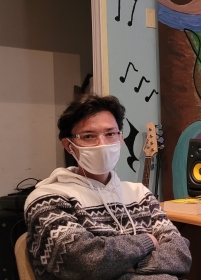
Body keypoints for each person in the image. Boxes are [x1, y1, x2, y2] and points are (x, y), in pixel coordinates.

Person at [24, 94, 191, 280]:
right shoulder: (47, 199)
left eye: (110, 134)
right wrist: (147, 241)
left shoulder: (140, 194)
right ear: (69, 145)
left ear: (121, 138)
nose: (102, 144)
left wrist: (124, 265)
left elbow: (181, 254)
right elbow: (85, 262)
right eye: (88, 136)